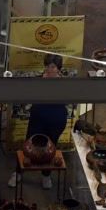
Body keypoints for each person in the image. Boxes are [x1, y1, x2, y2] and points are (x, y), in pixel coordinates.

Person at [22, 56, 69, 188]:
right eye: (47, 66)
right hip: (38, 117)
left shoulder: (65, 84)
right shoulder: (38, 80)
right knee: (29, 143)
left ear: (58, 69)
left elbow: (67, 100)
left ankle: (46, 176)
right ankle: (19, 173)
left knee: (50, 146)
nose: (49, 69)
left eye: (53, 67)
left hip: (56, 119)